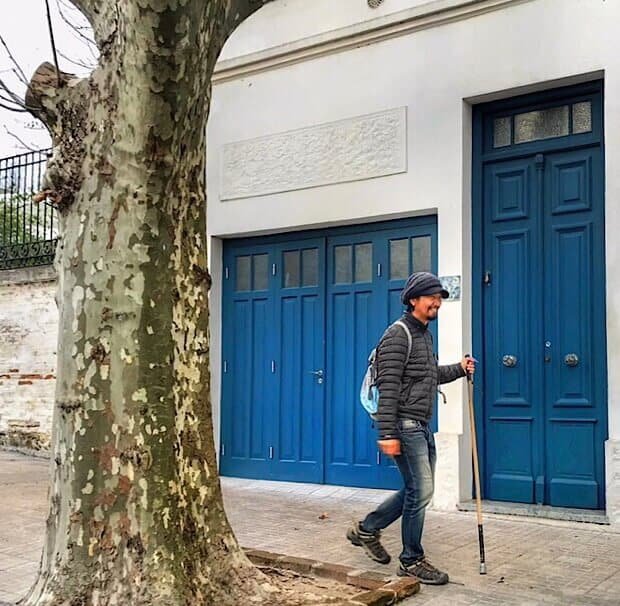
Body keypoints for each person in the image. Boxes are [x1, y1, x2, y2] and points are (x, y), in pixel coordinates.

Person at [346, 271, 475, 585]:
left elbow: (428, 376)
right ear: (413, 300)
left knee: (416, 490)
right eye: (431, 296)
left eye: (439, 297)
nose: (436, 302)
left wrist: (459, 369)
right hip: (404, 425)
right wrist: (387, 434)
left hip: (420, 424)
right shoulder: (398, 334)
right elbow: (387, 387)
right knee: (422, 491)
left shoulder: (423, 335)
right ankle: (411, 560)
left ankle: (367, 529)